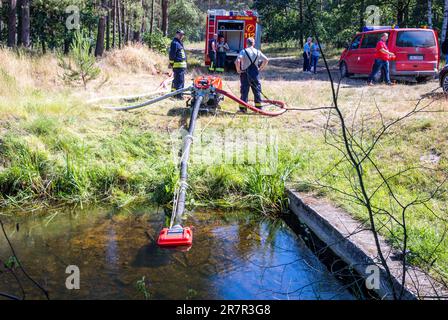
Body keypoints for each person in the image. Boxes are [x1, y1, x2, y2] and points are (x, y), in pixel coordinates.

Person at [235, 37, 269, 112]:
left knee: (244, 91)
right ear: (253, 43)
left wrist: (238, 70)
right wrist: (261, 68)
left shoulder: (243, 51)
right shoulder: (257, 51)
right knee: (257, 91)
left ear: (246, 43)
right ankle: (258, 108)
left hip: (245, 74)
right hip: (255, 74)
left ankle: (243, 109)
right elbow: (266, 60)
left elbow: (237, 61)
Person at [169, 30, 187, 99]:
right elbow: (172, 54)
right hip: (178, 65)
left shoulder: (179, 43)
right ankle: (178, 96)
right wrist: (171, 63)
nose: (182, 36)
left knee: (178, 80)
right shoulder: (174, 43)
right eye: (180, 34)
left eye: (182, 35)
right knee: (179, 81)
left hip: (181, 66)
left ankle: (174, 94)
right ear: (176, 34)